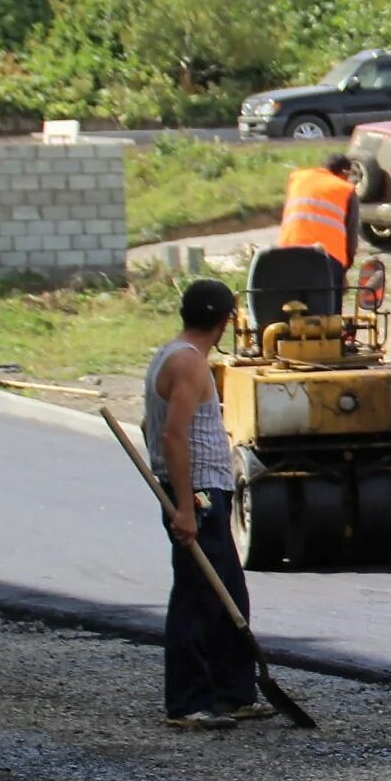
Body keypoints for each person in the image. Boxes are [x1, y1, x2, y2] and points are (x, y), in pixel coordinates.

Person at [143, 279, 270, 729]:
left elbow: (148, 424)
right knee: (197, 599)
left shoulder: (171, 355)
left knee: (226, 593)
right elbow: (171, 434)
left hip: (200, 489)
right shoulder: (188, 365)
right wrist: (182, 505)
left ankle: (232, 692)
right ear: (223, 321)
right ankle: (187, 702)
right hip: (196, 494)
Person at [277, 153, 360, 271]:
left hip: (286, 254)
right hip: (327, 260)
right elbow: (351, 237)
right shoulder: (346, 189)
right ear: (345, 172)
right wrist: (344, 271)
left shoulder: (298, 179)